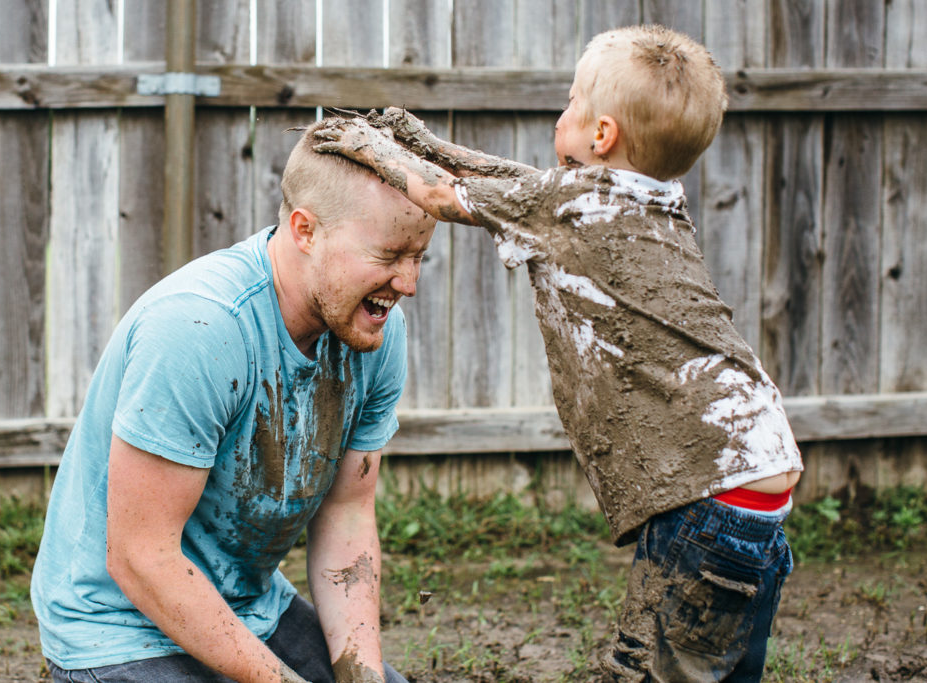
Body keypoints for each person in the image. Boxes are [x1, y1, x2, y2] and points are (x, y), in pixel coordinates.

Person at [313, 24, 803, 682]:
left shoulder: (570, 205)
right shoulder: (649, 204)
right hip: (759, 486)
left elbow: (438, 195)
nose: (560, 113)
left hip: (702, 500)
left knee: (655, 670)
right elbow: (509, 180)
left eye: (571, 101)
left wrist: (362, 141)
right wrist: (423, 140)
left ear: (602, 136)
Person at [30, 118, 436, 683]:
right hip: (114, 628)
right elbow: (140, 557)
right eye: (390, 254)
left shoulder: (375, 333)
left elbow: (346, 515)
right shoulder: (200, 327)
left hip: (249, 611)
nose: (408, 282)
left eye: (420, 256)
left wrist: (361, 676)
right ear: (305, 230)